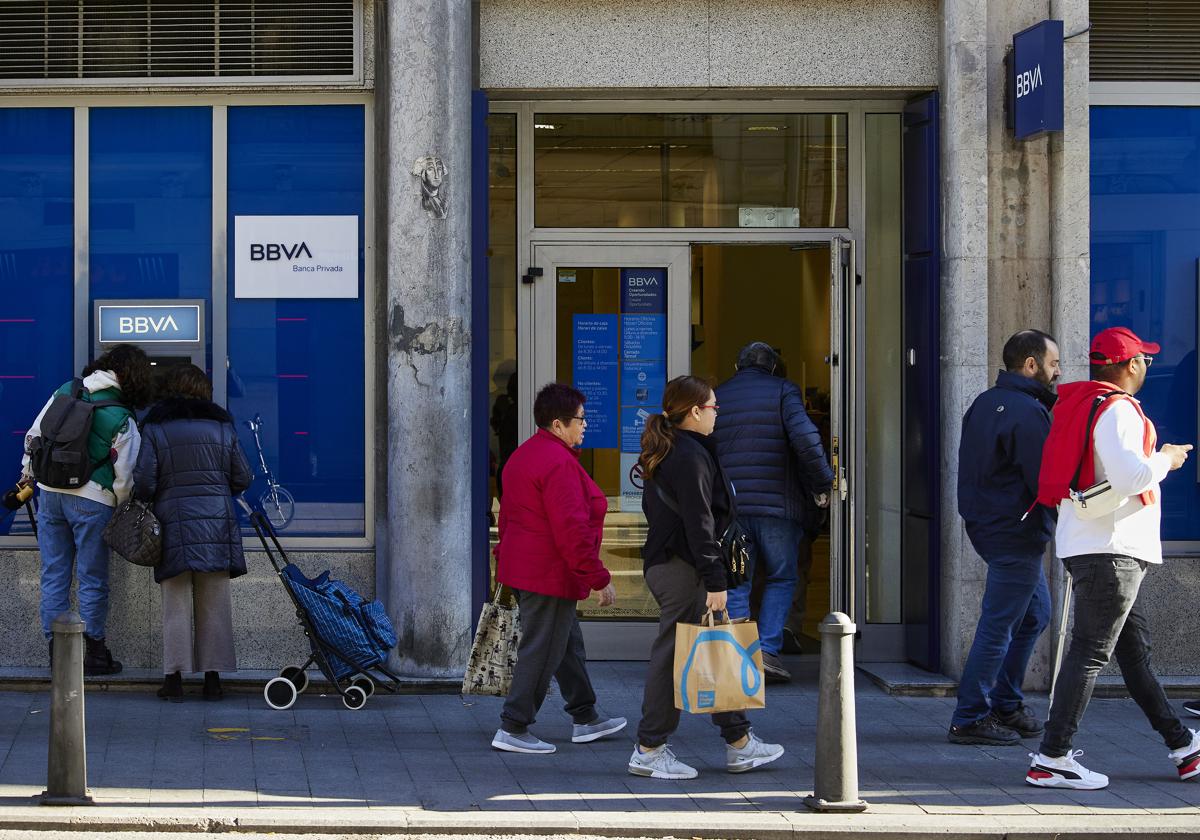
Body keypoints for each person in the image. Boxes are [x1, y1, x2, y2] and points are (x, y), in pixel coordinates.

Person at [1025, 326, 1200, 790]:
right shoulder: (1119, 409)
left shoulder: (1084, 403)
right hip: (1112, 552)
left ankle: (1184, 747)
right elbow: (1130, 477)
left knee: (1133, 656)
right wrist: (1166, 458)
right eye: (1144, 358)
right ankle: (1052, 757)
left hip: (1094, 547)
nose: (1147, 365)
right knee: (1088, 654)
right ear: (1130, 365)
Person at [631, 375, 785, 780]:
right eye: (714, 406)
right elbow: (700, 524)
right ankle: (649, 749)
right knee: (673, 656)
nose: (718, 412)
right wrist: (715, 580)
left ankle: (739, 742)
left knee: (712, 648)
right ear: (695, 411)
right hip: (682, 569)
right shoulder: (688, 456)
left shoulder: (679, 450)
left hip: (676, 565)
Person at [490, 382, 625, 754]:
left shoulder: (524, 455)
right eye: (579, 419)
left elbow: (509, 520)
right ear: (557, 423)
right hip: (547, 573)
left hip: (529, 568)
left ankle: (585, 717)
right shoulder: (558, 463)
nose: (585, 425)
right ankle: (514, 726)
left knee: (565, 645)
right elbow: (571, 529)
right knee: (543, 649)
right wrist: (598, 578)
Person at [948, 330, 1060, 746]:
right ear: (1030, 365)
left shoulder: (984, 403)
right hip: (1015, 532)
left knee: (1035, 615)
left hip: (992, 525)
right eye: (1053, 363)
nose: (1058, 370)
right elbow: (1043, 480)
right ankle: (970, 716)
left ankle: (1006, 703)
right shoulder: (1027, 412)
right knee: (999, 626)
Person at [20, 344, 153, 676]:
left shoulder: (66, 390)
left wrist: (30, 476)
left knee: (54, 574)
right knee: (92, 578)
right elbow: (125, 475)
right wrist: (118, 504)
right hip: (93, 499)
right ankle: (93, 652)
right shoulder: (121, 415)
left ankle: (58, 651)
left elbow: (34, 437)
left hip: (49, 494)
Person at [712, 342, 833, 683]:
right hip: (777, 509)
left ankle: (739, 655)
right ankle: (766, 651)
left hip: (733, 509)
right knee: (782, 576)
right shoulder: (784, 391)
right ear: (775, 368)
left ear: (738, 367)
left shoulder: (721, 395)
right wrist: (822, 484)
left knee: (738, 581)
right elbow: (806, 440)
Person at [134, 364, 252, 702]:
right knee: (214, 603)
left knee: (175, 604)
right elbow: (242, 477)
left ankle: (173, 680)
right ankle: (213, 680)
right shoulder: (222, 427)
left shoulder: (156, 428)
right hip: (215, 524)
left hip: (172, 524)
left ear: (170, 389)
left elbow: (144, 481)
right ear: (204, 390)